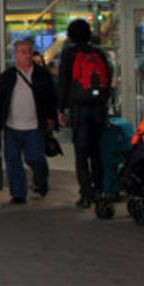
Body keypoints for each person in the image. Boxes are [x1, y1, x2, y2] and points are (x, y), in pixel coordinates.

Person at [0, 38, 58, 204]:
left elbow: (51, 99)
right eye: (23, 52)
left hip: (34, 126)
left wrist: (51, 118)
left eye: (29, 51)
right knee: (13, 161)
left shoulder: (42, 75)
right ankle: (18, 194)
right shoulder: (7, 76)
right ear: (15, 55)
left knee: (34, 158)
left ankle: (41, 179)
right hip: (12, 127)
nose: (27, 55)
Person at [57, 19, 112, 209]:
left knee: (81, 154)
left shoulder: (69, 54)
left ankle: (85, 195)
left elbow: (63, 83)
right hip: (99, 108)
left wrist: (61, 109)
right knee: (96, 152)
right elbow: (109, 80)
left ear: (71, 34)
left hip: (79, 109)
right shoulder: (99, 53)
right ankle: (99, 191)